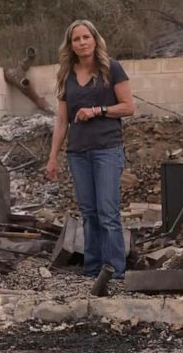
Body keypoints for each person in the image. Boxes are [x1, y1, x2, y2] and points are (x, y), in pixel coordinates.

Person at [46, 20, 135, 278]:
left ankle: (115, 271)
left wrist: (98, 111)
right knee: (89, 213)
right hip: (78, 153)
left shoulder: (112, 68)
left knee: (108, 212)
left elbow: (129, 107)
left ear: (95, 39)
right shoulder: (66, 75)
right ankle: (93, 268)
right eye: (77, 39)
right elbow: (62, 120)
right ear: (70, 45)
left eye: (86, 37)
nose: (82, 42)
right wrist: (53, 157)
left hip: (107, 149)